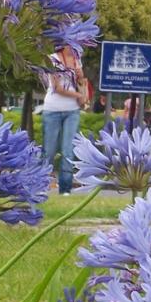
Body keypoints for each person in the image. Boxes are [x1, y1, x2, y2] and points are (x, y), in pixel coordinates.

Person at [41, 46, 87, 195]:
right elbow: (57, 88)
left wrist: (81, 80)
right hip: (52, 110)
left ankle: (65, 189)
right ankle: (41, 186)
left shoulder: (76, 60)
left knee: (68, 150)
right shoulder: (52, 58)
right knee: (49, 151)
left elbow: (82, 83)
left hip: (72, 111)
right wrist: (78, 96)